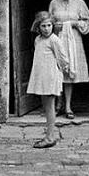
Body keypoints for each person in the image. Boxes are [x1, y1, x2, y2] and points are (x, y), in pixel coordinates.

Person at [48, 0, 89, 119]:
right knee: (57, 71)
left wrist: (75, 23)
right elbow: (49, 22)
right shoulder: (54, 3)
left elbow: (88, 23)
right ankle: (57, 104)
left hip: (73, 40)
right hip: (58, 39)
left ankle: (67, 107)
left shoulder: (80, 3)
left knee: (68, 72)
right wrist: (55, 27)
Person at [26, 11, 69, 149]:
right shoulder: (38, 40)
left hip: (50, 76)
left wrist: (60, 72)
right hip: (41, 76)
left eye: (49, 25)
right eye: (43, 26)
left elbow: (63, 59)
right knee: (46, 106)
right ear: (38, 27)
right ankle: (49, 134)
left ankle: (50, 137)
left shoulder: (54, 40)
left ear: (53, 26)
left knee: (50, 107)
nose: (46, 29)